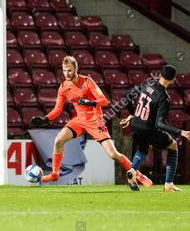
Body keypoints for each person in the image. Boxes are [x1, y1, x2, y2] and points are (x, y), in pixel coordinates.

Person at [31, 56, 152, 187]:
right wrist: (45, 119)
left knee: (113, 154)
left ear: (76, 69)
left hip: (95, 121)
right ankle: (55, 174)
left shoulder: (88, 82)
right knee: (58, 141)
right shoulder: (63, 87)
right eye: (65, 70)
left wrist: (90, 102)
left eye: (70, 70)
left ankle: (139, 175)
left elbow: (105, 101)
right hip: (79, 120)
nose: (67, 73)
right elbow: (58, 109)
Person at [120, 65, 190, 191]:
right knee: (173, 145)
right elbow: (160, 124)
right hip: (148, 129)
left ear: (160, 75)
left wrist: (134, 115)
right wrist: (180, 131)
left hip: (136, 126)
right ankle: (169, 183)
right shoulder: (164, 97)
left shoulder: (147, 83)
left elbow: (126, 95)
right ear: (173, 79)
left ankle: (132, 171)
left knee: (144, 147)